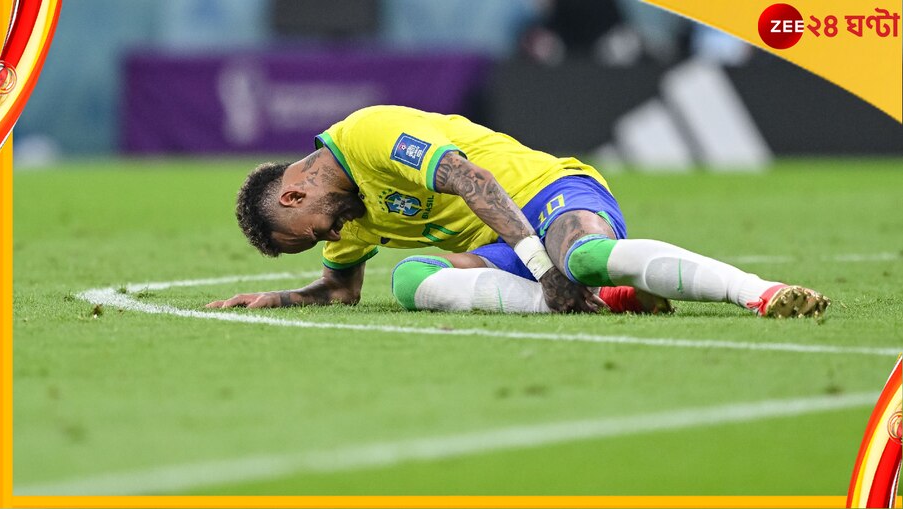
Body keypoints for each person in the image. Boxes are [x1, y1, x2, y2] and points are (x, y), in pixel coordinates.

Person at [206, 105, 829, 318]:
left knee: (580, 256)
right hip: (511, 249)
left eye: (312, 234)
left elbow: (472, 180)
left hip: (547, 195)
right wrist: (277, 298)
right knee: (411, 279)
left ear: (294, 195)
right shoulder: (348, 217)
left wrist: (547, 268)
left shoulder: (369, 134)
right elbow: (340, 292)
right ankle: (602, 299)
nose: (331, 238)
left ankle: (759, 293)